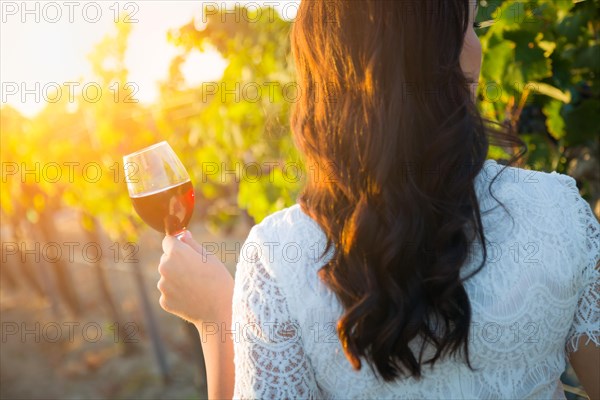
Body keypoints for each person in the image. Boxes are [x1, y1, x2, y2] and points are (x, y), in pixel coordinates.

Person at [156, 1, 600, 399]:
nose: (477, 46)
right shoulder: (558, 210)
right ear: (442, 55)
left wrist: (216, 315)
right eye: (470, 24)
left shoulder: (277, 258)